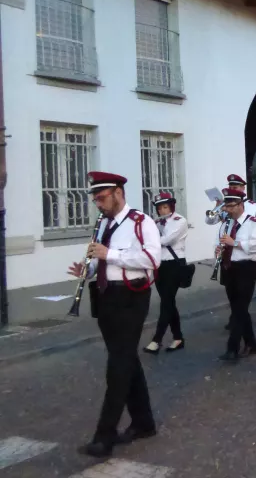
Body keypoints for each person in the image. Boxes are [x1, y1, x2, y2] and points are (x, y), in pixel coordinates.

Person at [67, 172, 160, 458]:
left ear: (118, 192)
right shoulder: (105, 223)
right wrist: (89, 269)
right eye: (95, 199)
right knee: (127, 359)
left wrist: (112, 255)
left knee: (117, 366)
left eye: (102, 197)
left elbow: (153, 259)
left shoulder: (141, 222)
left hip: (132, 296)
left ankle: (103, 436)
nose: (98, 204)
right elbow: (101, 261)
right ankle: (144, 422)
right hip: (106, 297)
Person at [216, 187, 256, 362]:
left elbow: (255, 245)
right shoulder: (226, 223)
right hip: (229, 267)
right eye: (226, 206)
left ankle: (232, 348)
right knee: (238, 308)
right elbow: (219, 240)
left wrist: (233, 242)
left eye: (231, 205)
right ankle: (251, 344)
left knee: (239, 309)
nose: (228, 209)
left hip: (247, 268)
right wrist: (218, 249)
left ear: (240, 204)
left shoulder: (254, 222)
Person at [143, 191, 187, 355]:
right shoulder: (156, 222)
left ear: (172, 206)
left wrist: (150, 241)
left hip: (174, 264)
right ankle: (178, 337)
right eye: (159, 207)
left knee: (166, 302)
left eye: (165, 206)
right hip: (160, 265)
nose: (162, 210)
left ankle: (156, 340)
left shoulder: (179, 221)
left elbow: (167, 240)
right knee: (168, 302)